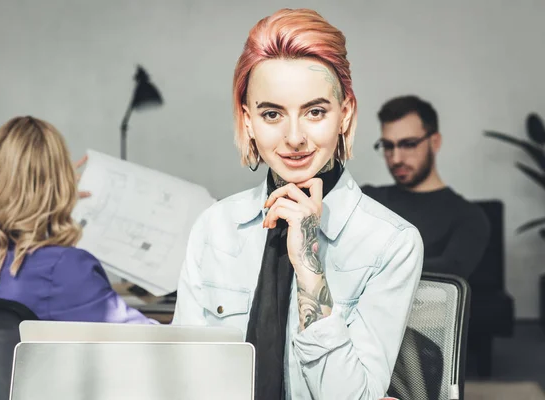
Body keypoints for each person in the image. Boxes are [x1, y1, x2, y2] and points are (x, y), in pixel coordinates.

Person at [172, 8, 423, 399]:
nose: (294, 137)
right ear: (248, 121)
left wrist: (309, 267)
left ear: (345, 114)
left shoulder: (391, 243)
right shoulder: (214, 227)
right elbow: (183, 380)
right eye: (272, 114)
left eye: (315, 112)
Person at [0, 116, 156, 324]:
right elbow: (147, 342)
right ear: (61, 186)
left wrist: (53, 188)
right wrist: (57, 191)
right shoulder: (66, 269)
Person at [362, 95, 490, 280]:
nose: (396, 158)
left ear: (435, 142)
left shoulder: (469, 217)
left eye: (409, 144)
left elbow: (446, 278)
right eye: (388, 146)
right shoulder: (366, 199)